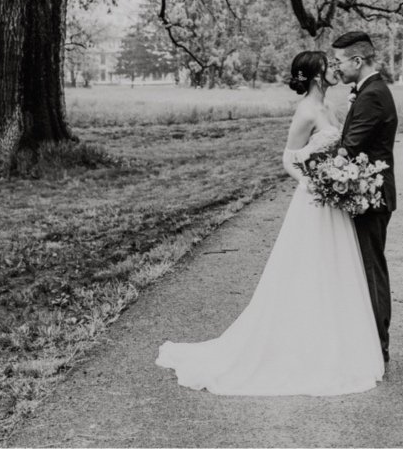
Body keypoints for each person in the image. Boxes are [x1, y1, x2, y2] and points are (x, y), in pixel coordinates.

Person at [154, 50, 385, 395]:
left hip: (332, 203)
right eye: (329, 66)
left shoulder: (331, 109)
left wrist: (341, 176)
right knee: (308, 269)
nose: (335, 70)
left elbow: (335, 150)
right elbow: (289, 159)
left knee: (335, 269)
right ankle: (298, 346)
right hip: (313, 201)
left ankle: (333, 342)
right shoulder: (306, 111)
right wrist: (313, 181)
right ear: (316, 75)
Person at [331, 30, 397, 365]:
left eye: (340, 61)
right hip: (367, 194)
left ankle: (377, 348)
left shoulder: (372, 95)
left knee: (371, 269)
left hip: (371, 197)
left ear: (358, 61)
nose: (336, 67)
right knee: (365, 267)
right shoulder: (370, 90)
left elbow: (350, 148)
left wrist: (319, 167)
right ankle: (368, 342)